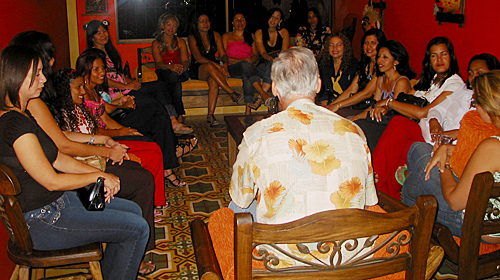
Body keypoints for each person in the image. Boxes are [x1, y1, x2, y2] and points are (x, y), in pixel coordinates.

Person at [10, 32, 158, 268]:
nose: (44, 78)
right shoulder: (16, 122)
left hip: (56, 202)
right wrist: (98, 174)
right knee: (137, 226)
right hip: (45, 217)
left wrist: (101, 161)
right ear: (18, 75)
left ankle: (119, 266)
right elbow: (51, 179)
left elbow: (57, 154)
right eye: (37, 73)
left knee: (132, 210)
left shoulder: (23, 114)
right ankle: (128, 260)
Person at [228, 47, 377, 265]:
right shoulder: (354, 131)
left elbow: (241, 199)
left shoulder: (257, 135)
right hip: (348, 256)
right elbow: (369, 201)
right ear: (318, 84)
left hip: (286, 259)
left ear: (275, 88)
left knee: (238, 205)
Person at [402, 70, 500, 243]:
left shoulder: (492, 146)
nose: (475, 108)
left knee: (414, 181)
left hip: (480, 225)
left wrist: (444, 165)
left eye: (476, 102)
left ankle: (410, 242)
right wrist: (447, 150)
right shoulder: (493, 143)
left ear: (486, 106)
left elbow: (455, 202)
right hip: (487, 214)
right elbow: (481, 161)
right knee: (422, 154)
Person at [50, 68, 168, 210]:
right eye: (78, 87)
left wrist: (118, 135)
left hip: (101, 147)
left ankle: (156, 201)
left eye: (82, 86)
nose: (82, 91)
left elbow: (95, 129)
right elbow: (71, 145)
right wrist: (110, 146)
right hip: (92, 158)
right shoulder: (61, 115)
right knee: (147, 159)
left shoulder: (81, 106)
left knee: (153, 146)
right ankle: (150, 204)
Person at [77, 48, 193, 187]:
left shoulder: (94, 88)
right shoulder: (82, 94)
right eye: (96, 69)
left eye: (102, 68)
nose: (102, 72)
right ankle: (171, 155)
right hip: (107, 135)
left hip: (114, 123)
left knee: (158, 117)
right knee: (154, 109)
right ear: (85, 71)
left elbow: (107, 111)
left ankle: (167, 167)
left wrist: (124, 106)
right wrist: (122, 130)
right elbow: (95, 128)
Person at [369, 37, 465, 200]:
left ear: (451, 56)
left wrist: (389, 103)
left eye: (443, 54)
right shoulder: (429, 80)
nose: (439, 60)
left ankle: (372, 182)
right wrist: (384, 107)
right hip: (413, 131)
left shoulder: (455, 84)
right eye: (434, 56)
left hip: (427, 138)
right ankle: (383, 200)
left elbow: (423, 113)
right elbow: (405, 98)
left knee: (399, 125)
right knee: (376, 132)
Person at [85, 20, 193, 134]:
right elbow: (103, 80)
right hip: (115, 94)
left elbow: (118, 74)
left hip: (125, 87)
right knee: (152, 100)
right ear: (92, 37)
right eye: (98, 33)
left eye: (104, 31)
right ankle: (168, 124)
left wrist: (132, 81)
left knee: (160, 86)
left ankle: (172, 120)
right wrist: (126, 85)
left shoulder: (109, 52)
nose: (103, 35)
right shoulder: (93, 56)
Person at [188, 12, 244, 126]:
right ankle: (231, 92)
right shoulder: (192, 37)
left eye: (207, 21)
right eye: (202, 21)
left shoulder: (216, 35)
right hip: (198, 67)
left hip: (213, 68)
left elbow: (223, 54)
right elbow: (198, 58)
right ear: (196, 23)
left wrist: (224, 65)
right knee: (210, 66)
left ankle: (210, 115)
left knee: (214, 82)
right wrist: (218, 66)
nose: (205, 24)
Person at [327, 29, 387, 115]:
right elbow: (351, 89)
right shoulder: (365, 64)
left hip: (375, 110)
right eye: (366, 43)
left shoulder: (382, 66)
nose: (369, 46)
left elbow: (367, 93)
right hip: (360, 106)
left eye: (373, 43)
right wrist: (331, 106)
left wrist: (338, 105)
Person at [223, 12, 271, 113]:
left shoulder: (251, 36)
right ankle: (262, 93)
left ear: (245, 21)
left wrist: (250, 60)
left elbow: (256, 55)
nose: (239, 22)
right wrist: (242, 61)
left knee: (247, 72)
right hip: (232, 68)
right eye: (236, 20)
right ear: (232, 22)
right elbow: (222, 56)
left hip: (247, 68)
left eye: (242, 19)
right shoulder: (227, 36)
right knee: (245, 66)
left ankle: (247, 111)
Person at [152, 14, 190, 126]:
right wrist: (170, 67)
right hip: (164, 71)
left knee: (174, 77)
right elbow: (159, 63)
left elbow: (186, 61)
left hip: (180, 72)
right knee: (175, 81)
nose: (171, 28)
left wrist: (183, 68)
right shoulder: (156, 43)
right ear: (163, 25)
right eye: (168, 24)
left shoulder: (180, 42)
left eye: (174, 26)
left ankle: (173, 114)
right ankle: (179, 115)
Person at [254, 8, 290, 95]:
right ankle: (263, 97)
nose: (273, 20)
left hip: (279, 64)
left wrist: (277, 61)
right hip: (264, 64)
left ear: (280, 21)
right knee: (273, 70)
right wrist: (272, 59)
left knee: (275, 72)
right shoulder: (259, 32)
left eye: (277, 18)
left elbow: (284, 52)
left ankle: (261, 97)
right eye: (272, 16)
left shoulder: (283, 32)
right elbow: (263, 53)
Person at [317, 33, 359, 106]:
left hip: (348, 105)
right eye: (331, 45)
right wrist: (325, 107)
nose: (334, 48)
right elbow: (323, 91)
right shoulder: (325, 65)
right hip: (331, 104)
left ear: (345, 47)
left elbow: (351, 91)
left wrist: (332, 106)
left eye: (338, 45)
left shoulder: (354, 65)